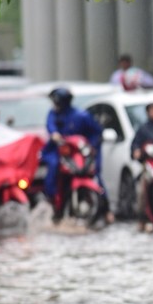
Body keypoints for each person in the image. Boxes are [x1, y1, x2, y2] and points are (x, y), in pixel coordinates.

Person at [42, 87, 108, 218]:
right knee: (54, 167)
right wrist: (55, 135)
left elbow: (96, 133)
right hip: (61, 151)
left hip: (81, 152)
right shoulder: (53, 114)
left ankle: (106, 209)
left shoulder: (81, 116)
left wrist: (91, 146)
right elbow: (51, 126)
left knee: (95, 173)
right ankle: (52, 198)